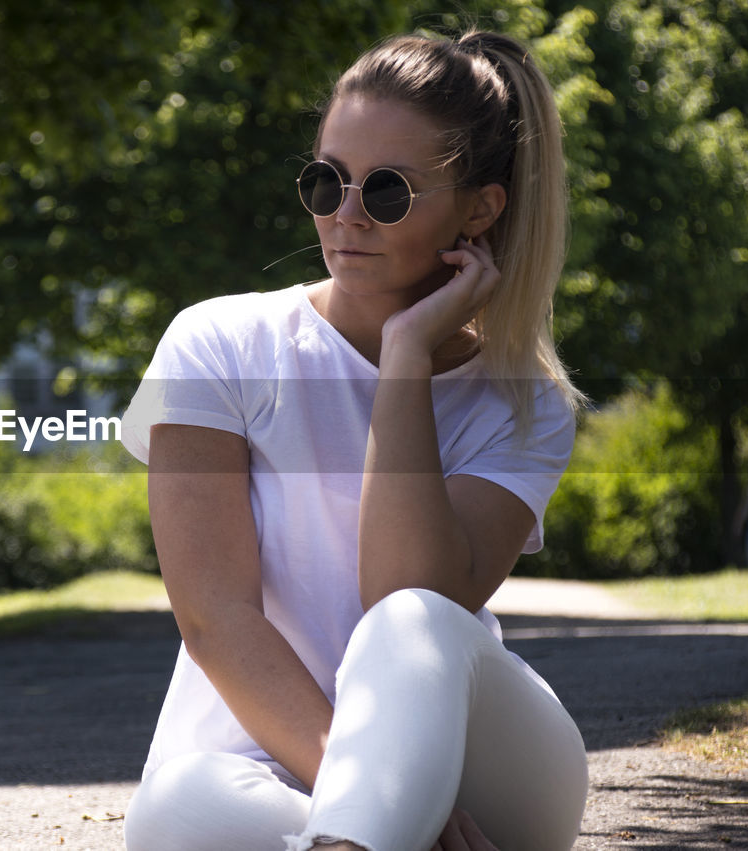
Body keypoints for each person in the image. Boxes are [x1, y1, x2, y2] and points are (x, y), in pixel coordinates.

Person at [117, 29, 590, 851]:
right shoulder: (215, 344)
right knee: (168, 813)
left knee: (413, 619)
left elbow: (404, 593)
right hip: (261, 774)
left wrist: (404, 359)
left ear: (479, 208)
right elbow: (214, 614)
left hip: (484, 775)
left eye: (388, 191)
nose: (345, 214)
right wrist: (371, 801)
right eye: (325, 180)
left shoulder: (526, 403)